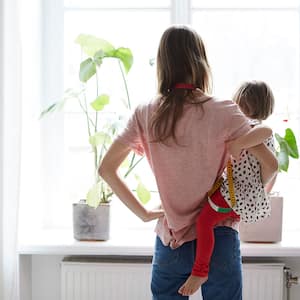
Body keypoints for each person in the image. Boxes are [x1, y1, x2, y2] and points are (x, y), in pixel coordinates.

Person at [99, 25, 278, 300]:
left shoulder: (145, 113)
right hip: (219, 237)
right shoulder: (225, 111)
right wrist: (247, 191)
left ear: (163, 65)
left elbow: (106, 169)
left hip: (170, 239)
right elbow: (270, 165)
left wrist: (144, 213)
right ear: (201, 63)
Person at [178, 81, 278, 296]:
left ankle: (201, 269)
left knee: (204, 222)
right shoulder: (250, 129)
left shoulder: (249, 127)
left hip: (235, 194)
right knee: (208, 219)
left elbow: (266, 130)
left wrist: (238, 144)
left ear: (241, 103)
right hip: (240, 198)